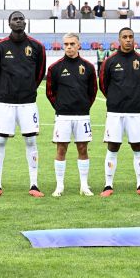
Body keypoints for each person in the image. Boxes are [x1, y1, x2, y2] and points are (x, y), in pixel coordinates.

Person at [0, 12, 47, 198]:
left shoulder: (37, 46)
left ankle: (34, 184)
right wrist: (6, 89)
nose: (19, 21)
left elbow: (40, 73)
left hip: (28, 102)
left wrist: (28, 88)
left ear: (25, 22)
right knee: (0, 141)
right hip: (5, 101)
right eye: (15, 19)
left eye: (21, 18)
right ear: (9, 23)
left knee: (31, 141)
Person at [99, 27, 140, 197]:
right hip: (115, 112)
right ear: (119, 40)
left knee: (138, 146)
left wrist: (135, 99)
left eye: (130, 37)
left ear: (134, 39)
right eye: (124, 37)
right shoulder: (110, 61)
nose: (128, 40)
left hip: (135, 112)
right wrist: (115, 99)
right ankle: (108, 185)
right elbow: (103, 85)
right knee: (113, 146)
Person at [45, 33, 98, 196]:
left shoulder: (88, 67)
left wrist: (84, 106)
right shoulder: (55, 68)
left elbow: (93, 91)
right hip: (63, 116)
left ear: (78, 45)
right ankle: (59, 186)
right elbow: (50, 92)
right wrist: (61, 106)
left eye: (72, 44)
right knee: (61, 149)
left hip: (82, 116)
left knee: (83, 148)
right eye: (66, 44)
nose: (69, 47)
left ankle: (84, 185)